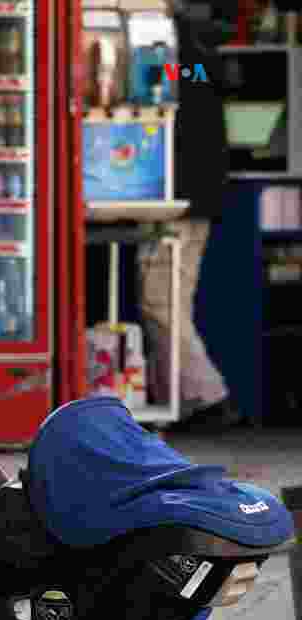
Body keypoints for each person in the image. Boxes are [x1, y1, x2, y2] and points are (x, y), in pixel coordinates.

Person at [136, 0, 241, 433]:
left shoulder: (181, 60)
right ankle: (179, 401)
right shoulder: (203, 58)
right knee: (173, 299)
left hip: (178, 199)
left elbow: (163, 83)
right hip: (197, 197)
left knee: (161, 300)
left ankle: (208, 396)